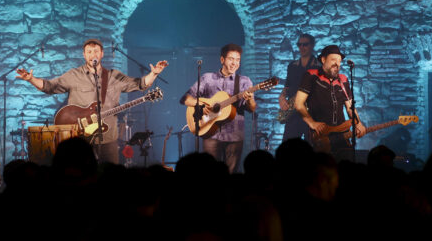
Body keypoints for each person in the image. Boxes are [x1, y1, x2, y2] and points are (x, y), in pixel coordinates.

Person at [16, 38, 168, 164]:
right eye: (89, 52)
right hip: (79, 139)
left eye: (96, 51)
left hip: (107, 138)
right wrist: (31, 79)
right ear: (84, 55)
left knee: (109, 177)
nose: (92, 54)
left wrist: (153, 74)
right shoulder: (74, 75)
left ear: (102, 54)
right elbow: (50, 87)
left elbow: (139, 84)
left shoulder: (114, 76)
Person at [181, 43, 256, 173]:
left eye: (237, 60)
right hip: (210, 132)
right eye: (231, 59)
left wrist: (250, 99)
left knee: (230, 175)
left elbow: (252, 109)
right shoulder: (207, 78)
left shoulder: (244, 81)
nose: (235, 63)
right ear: (222, 60)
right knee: (210, 174)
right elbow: (185, 99)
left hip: (235, 136)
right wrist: (199, 104)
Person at [294, 44, 366, 158]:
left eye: (339, 61)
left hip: (342, 136)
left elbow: (350, 107)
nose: (337, 64)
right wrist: (311, 123)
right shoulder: (311, 75)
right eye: (333, 59)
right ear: (323, 60)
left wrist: (359, 123)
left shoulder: (343, 79)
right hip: (320, 136)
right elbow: (298, 104)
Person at [278, 33, 321, 142]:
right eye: (299, 44)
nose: (301, 47)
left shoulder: (319, 66)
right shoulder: (292, 66)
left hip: (311, 113)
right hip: (293, 113)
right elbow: (287, 86)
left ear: (312, 45)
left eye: (305, 44)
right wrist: (282, 97)